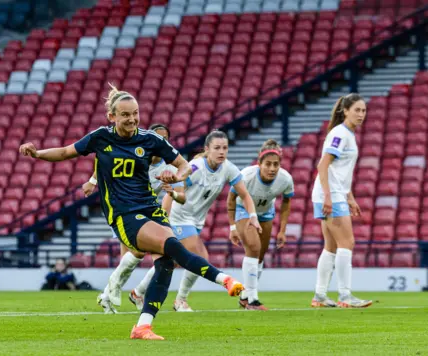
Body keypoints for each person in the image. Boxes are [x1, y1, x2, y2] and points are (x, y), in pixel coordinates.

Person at [19, 84, 244, 340]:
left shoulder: (150, 139)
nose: (132, 119)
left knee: (166, 263)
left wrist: (175, 175)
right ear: (112, 117)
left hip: (150, 207)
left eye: (135, 113)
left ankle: (143, 327)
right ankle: (223, 279)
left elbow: (185, 166)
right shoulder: (100, 137)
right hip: (124, 214)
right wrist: (37, 154)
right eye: (125, 114)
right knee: (172, 245)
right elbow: (65, 152)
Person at [130, 130, 261, 313]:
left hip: (196, 221)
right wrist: (163, 220)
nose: (221, 152)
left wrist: (253, 216)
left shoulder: (229, 168)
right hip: (179, 218)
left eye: (225, 148)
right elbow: (173, 192)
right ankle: (180, 300)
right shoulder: (195, 168)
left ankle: (137, 292)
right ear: (207, 149)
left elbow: (245, 195)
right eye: (217, 148)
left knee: (173, 260)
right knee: (201, 257)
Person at [85, 123, 186, 314]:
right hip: (125, 209)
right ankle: (114, 295)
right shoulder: (138, 155)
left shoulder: (168, 167)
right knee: (135, 254)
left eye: (164, 139)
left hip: (149, 211)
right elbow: (108, 162)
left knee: (158, 255)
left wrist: (171, 195)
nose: (160, 142)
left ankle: (116, 295)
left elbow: (180, 195)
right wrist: (93, 181)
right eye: (158, 137)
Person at [310, 93, 371, 308]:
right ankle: (345, 296)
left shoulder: (347, 134)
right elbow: (323, 165)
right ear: (345, 111)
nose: (361, 114)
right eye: (357, 110)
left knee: (331, 247)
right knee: (348, 243)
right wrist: (328, 197)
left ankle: (319, 295)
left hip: (334, 193)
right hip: (330, 195)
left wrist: (350, 197)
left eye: (363, 111)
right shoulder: (340, 134)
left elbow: (341, 172)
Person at [227, 139, 294, 310]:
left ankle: (244, 296)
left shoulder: (285, 179)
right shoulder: (247, 176)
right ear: (259, 163)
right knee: (254, 249)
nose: (272, 169)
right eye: (268, 164)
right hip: (244, 211)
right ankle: (252, 299)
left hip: (266, 214)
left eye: (276, 164)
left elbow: (286, 203)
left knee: (260, 257)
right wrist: (233, 226)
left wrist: (282, 230)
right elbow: (231, 198)